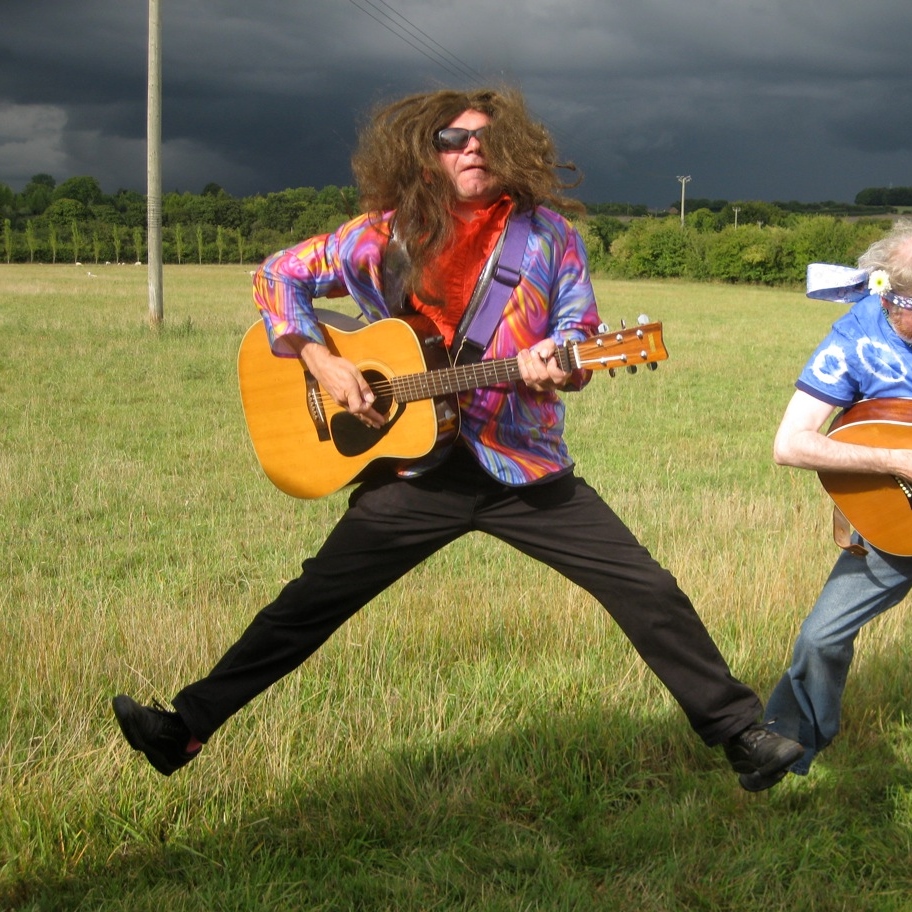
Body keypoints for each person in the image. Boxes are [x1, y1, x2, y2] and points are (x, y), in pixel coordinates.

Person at [112, 87, 802, 789]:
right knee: (310, 602)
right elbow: (276, 276)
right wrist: (323, 361)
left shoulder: (550, 238)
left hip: (523, 466)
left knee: (645, 586)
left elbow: (580, 335)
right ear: (426, 153)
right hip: (415, 471)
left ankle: (741, 735)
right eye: (453, 138)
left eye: (486, 138)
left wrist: (560, 361)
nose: (472, 148)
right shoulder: (383, 236)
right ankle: (183, 730)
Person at [746, 221, 912, 791]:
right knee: (821, 638)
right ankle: (786, 752)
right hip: (897, 525)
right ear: (892, 301)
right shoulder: (855, 340)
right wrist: (896, 463)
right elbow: (790, 445)